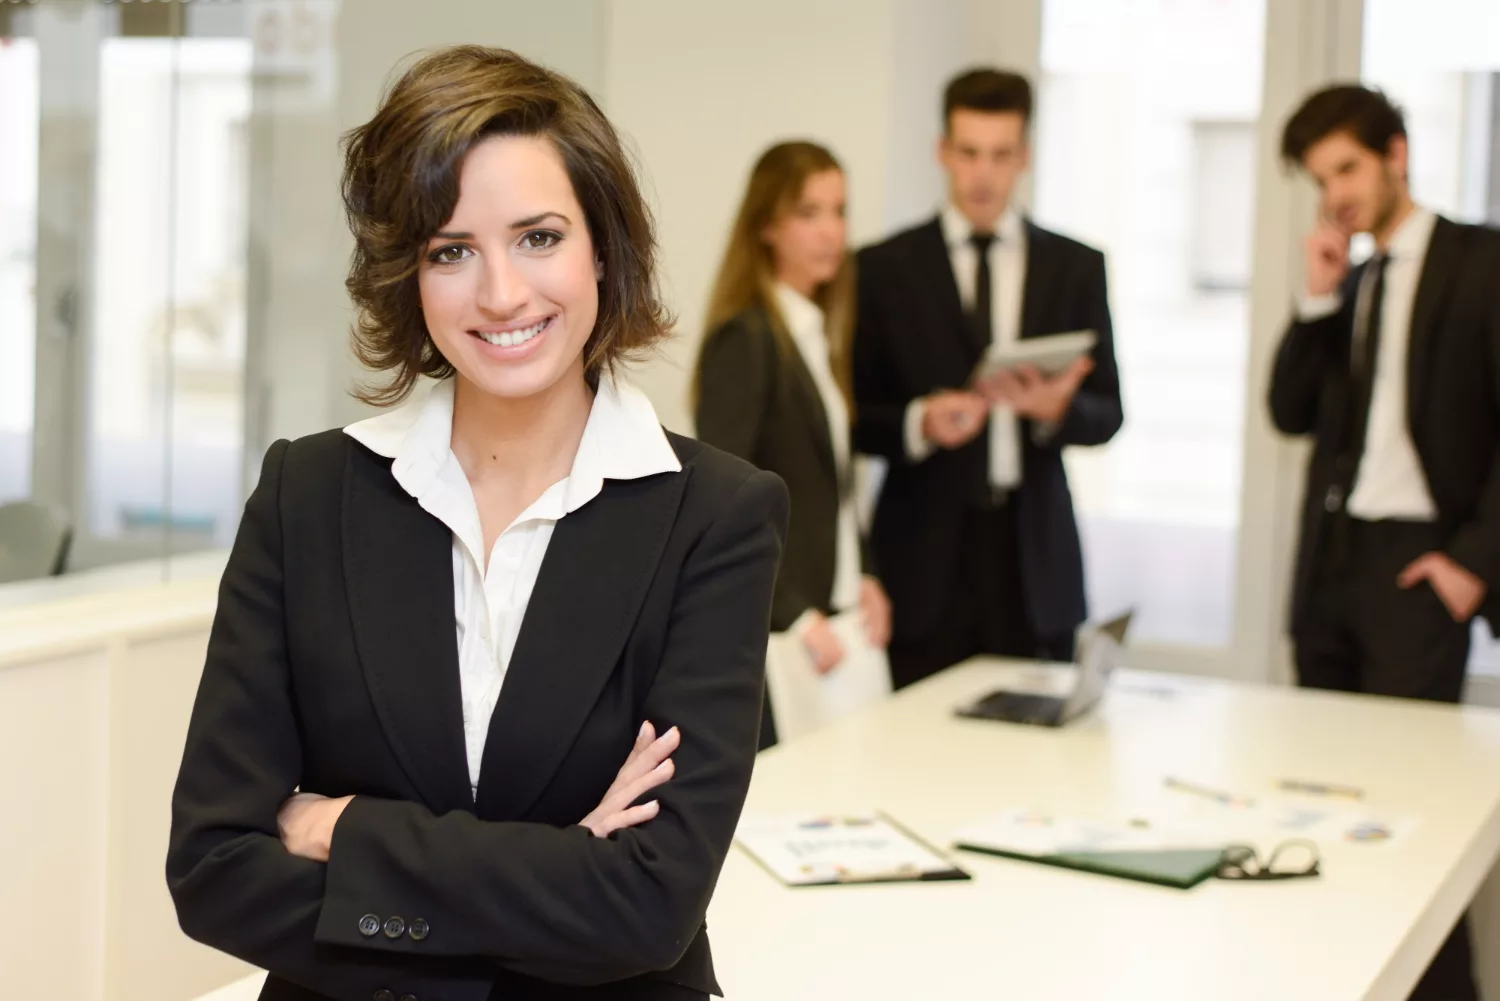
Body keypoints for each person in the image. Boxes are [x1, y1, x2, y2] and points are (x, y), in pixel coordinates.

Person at [165, 46, 788, 1001]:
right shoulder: (309, 494)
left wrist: (343, 832)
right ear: (405, 277)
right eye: (451, 250)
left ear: (604, 248)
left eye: (539, 236)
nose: (500, 293)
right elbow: (214, 871)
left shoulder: (715, 516)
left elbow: (648, 907)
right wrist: (561, 866)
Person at [1270, 83, 1500, 1001]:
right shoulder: (1352, 279)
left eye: (1348, 169)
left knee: (1415, 822)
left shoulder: (1479, 261)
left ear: (1396, 153)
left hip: (1420, 568)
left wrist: (1472, 565)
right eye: (1321, 178)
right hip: (1331, 566)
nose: (1336, 195)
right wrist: (1316, 298)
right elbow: (1289, 411)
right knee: (1325, 809)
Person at [851, 68, 1122, 690]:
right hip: (922, 560)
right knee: (918, 758)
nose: (983, 174)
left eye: (1001, 155)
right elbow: (852, 418)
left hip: (1033, 560)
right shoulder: (882, 269)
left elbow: (1110, 412)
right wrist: (919, 421)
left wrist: (1056, 409)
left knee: (1034, 761)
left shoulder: (1076, 268)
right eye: (968, 153)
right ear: (942, 152)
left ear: (1024, 157)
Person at [694, 141, 892, 748]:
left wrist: (867, 575)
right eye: (809, 212)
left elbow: (830, 485)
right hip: (791, 639)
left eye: (839, 211)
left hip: (841, 625)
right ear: (767, 227)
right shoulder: (746, 338)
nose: (831, 231)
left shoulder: (816, 335)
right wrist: (795, 614)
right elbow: (722, 501)